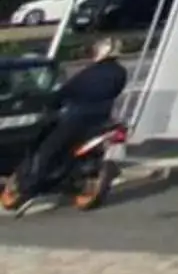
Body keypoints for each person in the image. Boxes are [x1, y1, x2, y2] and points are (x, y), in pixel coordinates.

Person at [4, 35, 126, 209]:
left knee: (48, 150)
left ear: (102, 51)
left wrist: (52, 103)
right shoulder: (120, 72)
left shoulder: (91, 72)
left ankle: (27, 188)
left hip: (76, 117)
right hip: (101, 117)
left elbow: (67, 91)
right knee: (67, 149)